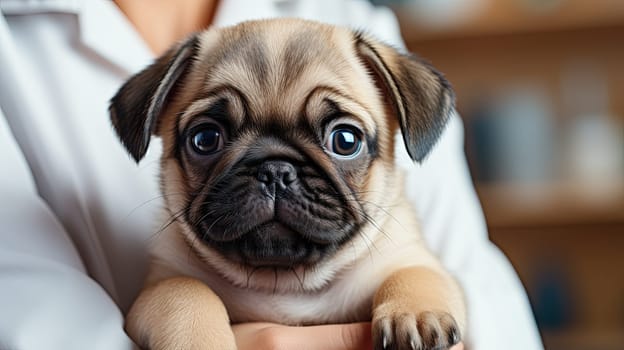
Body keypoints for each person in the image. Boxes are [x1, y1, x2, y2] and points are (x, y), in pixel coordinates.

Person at [0, 0, 543, 349]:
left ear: (400, 137)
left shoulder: (360, 26)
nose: (276, 175)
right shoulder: (183, 270)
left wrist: (413, 303)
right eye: (208, 139)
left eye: (343, 140)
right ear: (155, 130)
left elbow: (453, 281)